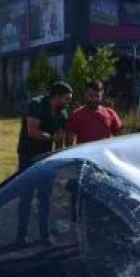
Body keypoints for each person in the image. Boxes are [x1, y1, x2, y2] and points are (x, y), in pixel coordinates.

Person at [15, 82, 72, 245]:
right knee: (25, 196)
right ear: (58, 96)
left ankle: (44, 236)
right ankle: (21, 235)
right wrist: (51, 138)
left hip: (46, 159)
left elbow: (60, 139)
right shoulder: (36, 104)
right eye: (66, 99)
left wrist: (58, 160)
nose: (68, 102)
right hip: (27, 156)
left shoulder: (62, 114)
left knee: (45, 198)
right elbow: (32, 131)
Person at [67, 80, 123, 144]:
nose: (94, 99)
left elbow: (120, 139)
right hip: (85, 153)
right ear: (85, 94)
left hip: (104, 152)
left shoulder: (110, 113)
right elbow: (70, 142)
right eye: (91, 96)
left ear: (102, 94)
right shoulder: (76, 115)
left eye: (97, 96)